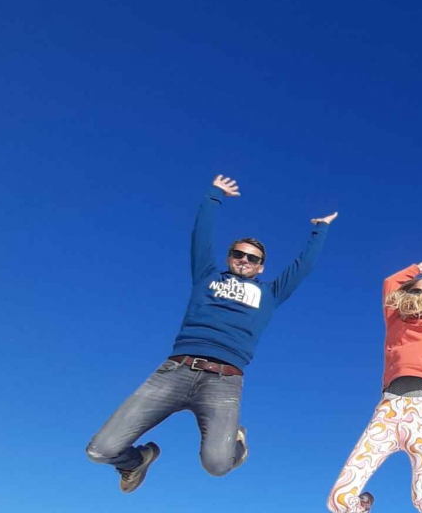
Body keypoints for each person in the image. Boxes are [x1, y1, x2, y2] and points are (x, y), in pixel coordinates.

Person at [86, 174, 336, 490]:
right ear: (229, 257)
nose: (244, 260)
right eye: (238, 254)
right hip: (174, 371)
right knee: (100, 450)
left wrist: (321, 229)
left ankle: (237, 443)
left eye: (253, 258)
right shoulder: (206, 275)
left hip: (224, 382)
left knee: (218, 465)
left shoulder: (270, 293)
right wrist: (213, 196)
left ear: (261, 267)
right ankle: (136, 461)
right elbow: (201, 237)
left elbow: (303, 266)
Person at [327, 260, 422, 513]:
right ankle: (357, 511)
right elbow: (389, 284)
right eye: (413, 292)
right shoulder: (395, 318)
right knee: (339, 497)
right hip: (388, 410)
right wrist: (415, 270)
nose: (418, 297)